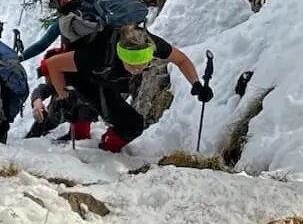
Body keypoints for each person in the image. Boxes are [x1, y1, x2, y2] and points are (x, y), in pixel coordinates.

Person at [43, 24, 212, 152]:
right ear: (120, 55)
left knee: (132, 124)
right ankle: (104, 150)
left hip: (109, 79)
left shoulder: (151, 44)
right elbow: (53, 65)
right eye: (133, 66)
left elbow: (181, 60)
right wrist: (64, 98)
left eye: (142, 65)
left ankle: (107, 143)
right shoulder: (98, 53)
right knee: (130, 123)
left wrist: (196, 84)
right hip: (83, 77)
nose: (138, 70)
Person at [24, 47, 96, 141]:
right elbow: (41, 89)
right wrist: (37, 101)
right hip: (50, 128)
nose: (47, 79)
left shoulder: (82, 94)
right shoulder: (57, 85)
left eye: (49, 75)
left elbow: (81, 133)